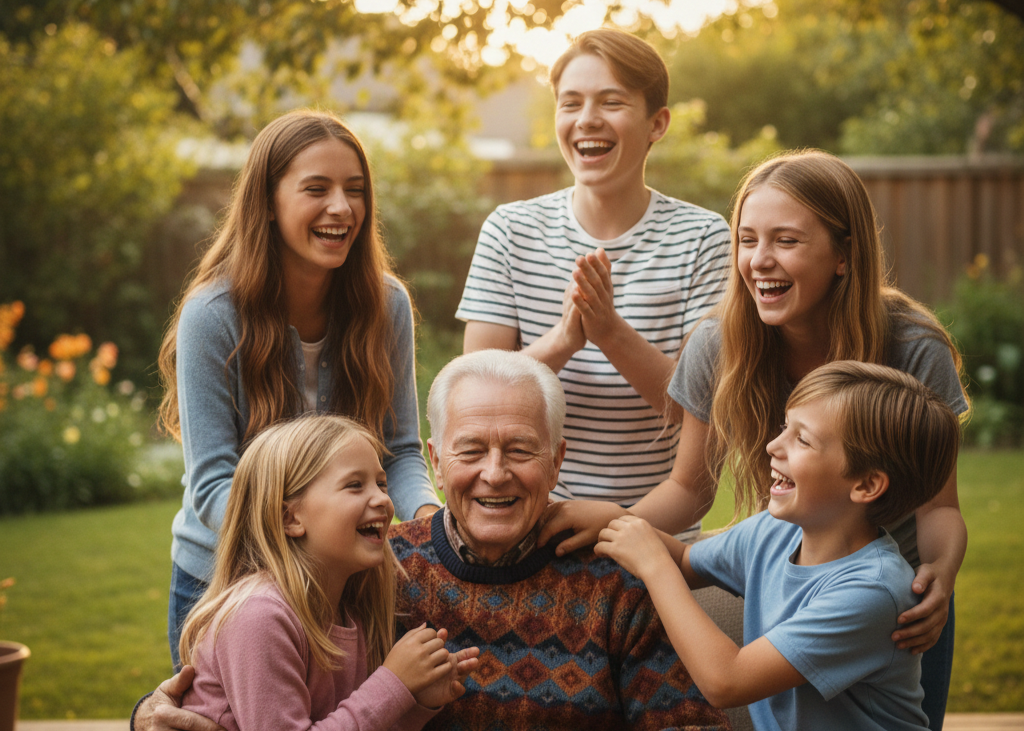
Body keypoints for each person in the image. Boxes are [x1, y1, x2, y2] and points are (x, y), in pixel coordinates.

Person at [542, 150, 968, 729]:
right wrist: (617, 527)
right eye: (747, 239)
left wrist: (938, 576)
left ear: (844, 255)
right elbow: (689, 488)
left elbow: (939, 507)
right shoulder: (720, 344)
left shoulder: (913, 345)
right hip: (797, 571)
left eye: (786, 241)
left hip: (896, 610)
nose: (758, 261)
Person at [130, 350, 729, 731]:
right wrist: (147, 716)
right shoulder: (373, 567)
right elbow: (236, 686)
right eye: (471, 451)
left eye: (520, 449)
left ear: (556, 461)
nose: (495, 473)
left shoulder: (617, 579)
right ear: (437, 463)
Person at [157, 109, 441, 666]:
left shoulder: (387, 306)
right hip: (228, 583)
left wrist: (433, 523)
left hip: (350, 586)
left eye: (355, 190)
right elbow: (214, 485)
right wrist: (321, 544)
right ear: (267, 201)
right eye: (317, 188)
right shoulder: (213, 316)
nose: (342, 207)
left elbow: (401, 449)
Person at [457, 29, 730, 536]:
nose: (587, 120)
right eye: (571, 103)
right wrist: (564, 341)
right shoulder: (510, 230)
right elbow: (470, 401)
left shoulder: (704, 239)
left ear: (657, 123)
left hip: (656, 533)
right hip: (523, 529)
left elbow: (697, 418)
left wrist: (610, 334)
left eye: (611, 101)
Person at [596, 361, 960, 730]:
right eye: (786, 427)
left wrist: (654, 565)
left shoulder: (872, 592)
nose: (773, 445)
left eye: (802, 439)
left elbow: (727, 681)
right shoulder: (774, 532)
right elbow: (686, 560)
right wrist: (606, 518)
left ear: (866, 485)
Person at [176, 415, 479, 731]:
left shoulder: (347, 611)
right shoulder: (259, 616)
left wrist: (416, 701)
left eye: (381, 483)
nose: (383, 499)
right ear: (290, 517)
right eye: (354, 485)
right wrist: (393, 684)